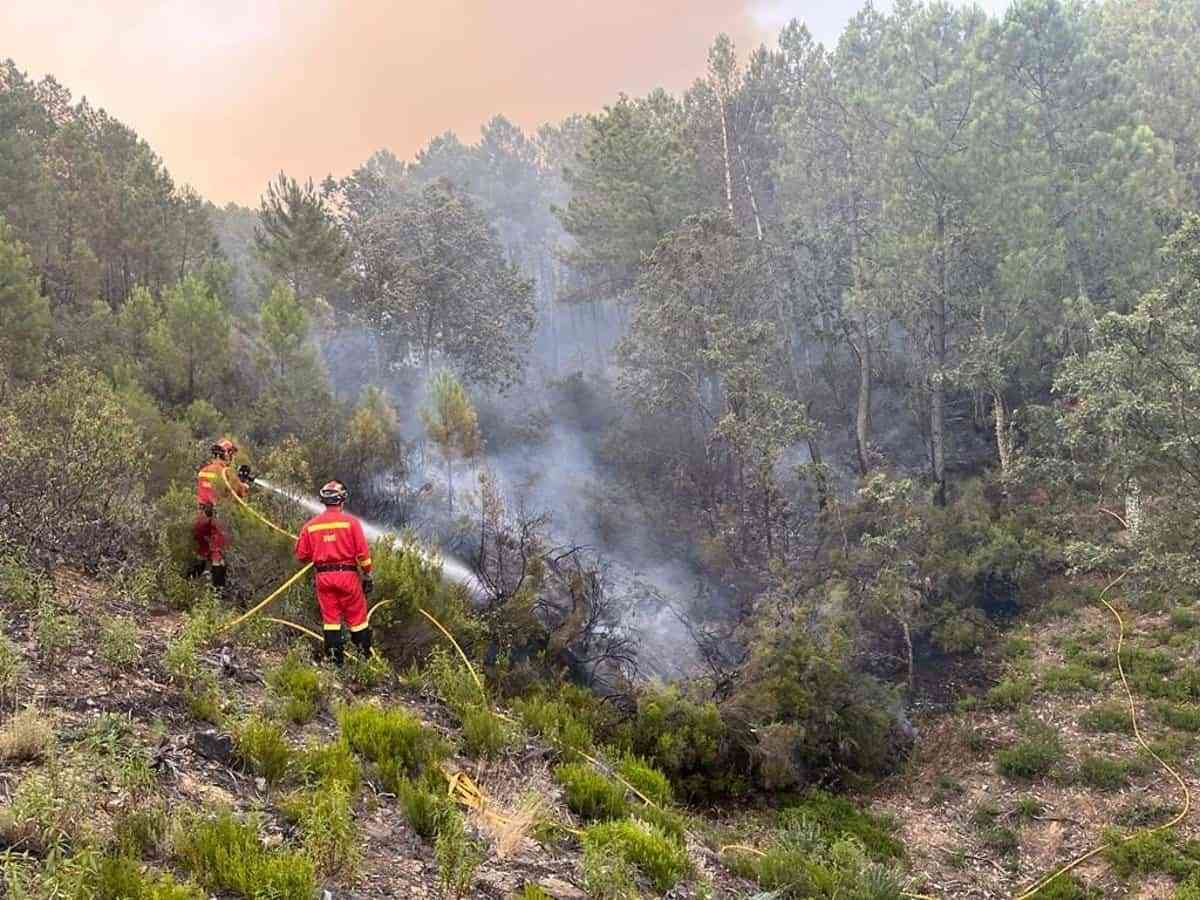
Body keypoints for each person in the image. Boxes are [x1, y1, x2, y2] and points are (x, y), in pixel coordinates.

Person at [293, 480, 374, 666]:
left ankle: (335, 665)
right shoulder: (351, 523)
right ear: (342, 500)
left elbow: (301, 555)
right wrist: (368, 574)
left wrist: (320, 548)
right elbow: (363, 555)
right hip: (348, 577)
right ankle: (365, 663)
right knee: (357, 619)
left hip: (323, 578)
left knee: (331, 621)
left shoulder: (310, 526)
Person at [187, 438, 254, 592]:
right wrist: (243, 483)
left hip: (202, 515)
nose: (231, 457)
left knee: (201, 552)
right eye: (230, 453)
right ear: (225, 453)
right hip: (218, 518)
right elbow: (239, 493)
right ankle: (217, 596)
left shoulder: (203, 471)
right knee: (218, 556)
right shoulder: (226, 473)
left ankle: (187, 587)